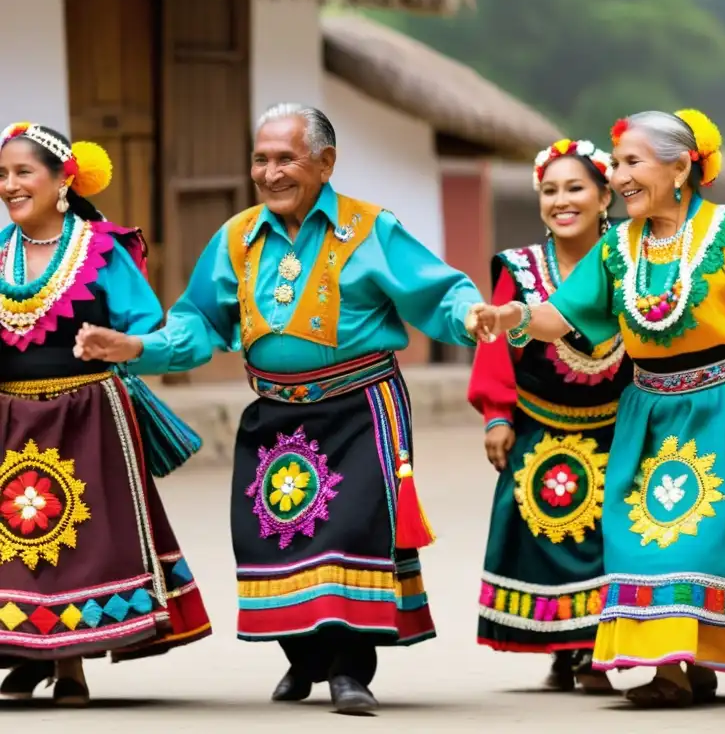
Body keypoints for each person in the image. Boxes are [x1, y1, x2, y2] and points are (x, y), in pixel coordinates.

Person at [73, 104, 492, 715]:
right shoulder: (237, 238)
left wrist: (470, 315)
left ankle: (351, 669)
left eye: (285, 159)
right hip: (275, 412)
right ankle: (305, 659)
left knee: (352, 531)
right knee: (271, 535)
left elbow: (441, 292)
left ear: (325, 163)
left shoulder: (369, 229)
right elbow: (198, 323)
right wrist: (139, 346)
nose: (270, 173)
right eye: (260, 159)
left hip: (360, 408)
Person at [471, 109, 725, 708]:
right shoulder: (618, 247)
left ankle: (674, 669)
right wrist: (513, 316)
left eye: (632, 163)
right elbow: (561, 316)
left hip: (721, 407)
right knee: (639, 539)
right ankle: (684, 662)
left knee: (701, 538)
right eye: (617, 165)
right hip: (645, 412)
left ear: (681, 167)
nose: (621, 177)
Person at [0, 123, 211, 706]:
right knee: (16, 542)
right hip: (9, 423)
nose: (10, 185)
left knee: (77, 539)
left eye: (23, 173)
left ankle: (71, 667)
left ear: (63, 179)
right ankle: (25, 653)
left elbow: (146, 330)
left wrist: (115, 343)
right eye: (2, 175)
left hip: (87, 416)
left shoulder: (102, 250)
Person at [469, 138, 631, 693]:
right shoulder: (519, 268)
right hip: (541, 426)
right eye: (550, 190)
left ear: (605, 194)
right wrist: (497, 415)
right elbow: (496, 347)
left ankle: (596, 650)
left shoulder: (631, 257)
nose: (561, 201)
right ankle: (566, 649)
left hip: (618, 426)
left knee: (612, 538)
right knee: (547, 535)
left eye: (576, 188)